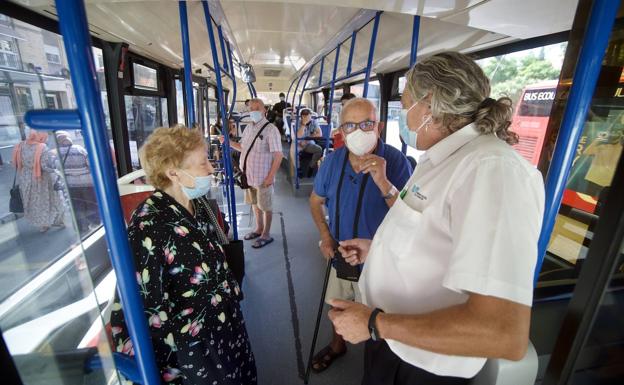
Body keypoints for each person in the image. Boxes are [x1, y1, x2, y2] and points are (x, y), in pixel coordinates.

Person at [327, 52, 545, 385]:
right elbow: (433, 243)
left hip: (424, 365)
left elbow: (502, 332)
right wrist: (377, 250)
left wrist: (375, 324)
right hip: (394, 343)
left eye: (404, 102)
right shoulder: (441, 160)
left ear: (428, 104)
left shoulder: (492, 172)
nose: (403, 115)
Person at [109, 126, 257, 385]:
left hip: (227, 329)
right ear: (173, 172)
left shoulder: (198, 205)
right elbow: (143, 309)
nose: (211, 170)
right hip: (194, 351)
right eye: (203, 163)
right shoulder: (148, 228)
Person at [309, 98, 412, 373]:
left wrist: (383, 181)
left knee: (379, 316)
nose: (359, 131)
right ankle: (337, 345)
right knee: (339, 305)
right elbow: (315, 200)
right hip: (341, 252)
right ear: (341, 131)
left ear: (378, 126)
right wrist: (326, 236)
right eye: (350, 125)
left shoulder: (396, 161)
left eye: (366, 123)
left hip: (382, 257)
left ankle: (379, 364)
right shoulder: (332, 162)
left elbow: (410, 217)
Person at [225, 98, 283, 248]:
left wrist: (270, 177)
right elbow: (243, 147)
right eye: (251, 108)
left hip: (263, 176)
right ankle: (258, 228)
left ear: (265, 110)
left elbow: (278, 155)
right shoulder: (248, 128)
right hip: (248, 175)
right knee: (255, 204)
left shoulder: (271, 129)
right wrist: (228, 142)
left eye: (258, 108)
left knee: (266, 206)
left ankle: (266, 234)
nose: (254, 111)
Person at [11, 130, 65, 232]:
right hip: (41, 179)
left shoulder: (19, 146)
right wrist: (56, 170)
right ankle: (57, 221)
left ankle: (43, 225)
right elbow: (45, 166)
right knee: (49, 200)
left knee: (35, 203)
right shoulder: (42, 147)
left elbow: (15, 163)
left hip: (26, 178)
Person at [55, 131, 98, 233]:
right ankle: (96, 224)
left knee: (77, 207)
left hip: (71, 185)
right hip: (87, 183)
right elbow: (90, 164)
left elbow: (57, 168)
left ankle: (82, 227)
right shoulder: (79, 149)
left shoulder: (58, 153)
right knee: (90, 204)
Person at [297, 108, 323, 176]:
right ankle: (298, 169)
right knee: (295, 152)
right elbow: (299, 136)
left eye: (308, 117)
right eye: (305, 117)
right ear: (302, 117)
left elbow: (319, 134)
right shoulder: (298, 123)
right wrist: (303, 124)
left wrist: (307, 140)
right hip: (298, 144)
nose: (308, 118)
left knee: (319, 149)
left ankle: (311, 167)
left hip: (308, 143)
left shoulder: (314, 122)